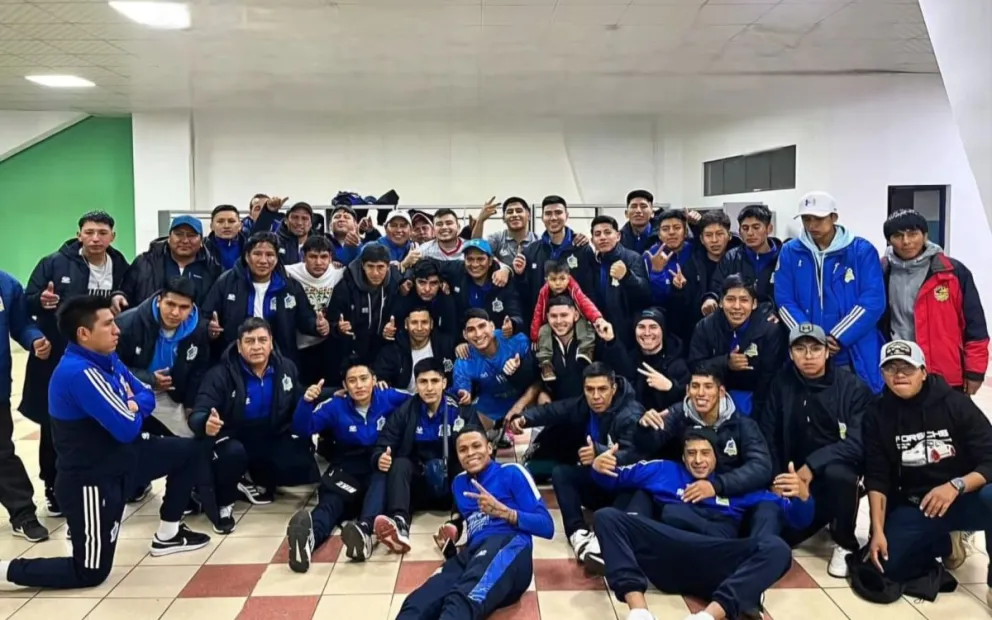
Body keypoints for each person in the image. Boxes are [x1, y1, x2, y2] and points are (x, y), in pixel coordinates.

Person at [3, 296, 211, 590]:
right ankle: (6, 570)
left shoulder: (107, 359)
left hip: (124, 459)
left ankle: (168, 535)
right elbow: (126, 427)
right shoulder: (81, 373)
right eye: (109, 324)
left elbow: (146, 394)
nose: (117, 331)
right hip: (92, 480)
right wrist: (134, 407)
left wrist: (133, 404)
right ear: (83, 334)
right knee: (90, 572)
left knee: (189, 451)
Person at [594, 426, 813, 620]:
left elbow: (797, 519)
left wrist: (803, 497)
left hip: (715, 561)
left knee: (778, 549)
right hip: (668, 551)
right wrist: (598, 467)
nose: (698, 460)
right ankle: (639, 612)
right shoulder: (662, 470)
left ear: (716, 456)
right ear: (683, 456)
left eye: (705, 453)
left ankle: (709, 616)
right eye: (691, 453)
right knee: (606, 517)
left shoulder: (735, 484)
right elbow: (612, 480)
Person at [865, 340, 992, 604]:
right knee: (886, 567)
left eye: (907, 367)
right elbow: (877, 476)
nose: (899, 374)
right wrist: (877, 531)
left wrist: (956, 485)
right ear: (882, 374)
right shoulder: (876, 414)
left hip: (963, 497)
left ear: (923, 372)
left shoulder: (956, 404)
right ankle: (946, 543)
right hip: (918, 504)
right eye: (891, 368)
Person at [22, 211, 130, 517]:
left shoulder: (120, 265)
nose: (96, 238)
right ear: (79, 234)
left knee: (101, 417)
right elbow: (28, 299)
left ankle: (105, 480)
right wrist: (41, 301)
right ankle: (53, 486)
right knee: (55, 423)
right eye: (90, 232)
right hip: (59, 359)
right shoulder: (54, 263)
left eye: (102, 232)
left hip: (103, 358)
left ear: (112, 236)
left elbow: (130, 295)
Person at [395, 426, 553, 620]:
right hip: (473, 553)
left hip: (511, 546)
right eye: (463, 450)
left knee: (461, 601)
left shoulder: (511, 472)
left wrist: (506, 513)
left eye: (476, 446)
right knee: (418, 603)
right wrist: (454, 527)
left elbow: (547, 526)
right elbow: (465, 516)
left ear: (489, 448)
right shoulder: (459, 483)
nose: (470, 453)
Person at [755, 323, 871, 577]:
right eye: (800, 349)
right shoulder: (781, 383)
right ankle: (820, 514)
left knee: (841, 475)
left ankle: (844, 542)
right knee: (781, 538)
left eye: (815, 349)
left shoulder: (853, 388)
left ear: (827, 352)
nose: (808, 356)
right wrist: (776, 478)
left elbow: (857, 443)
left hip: (833, 473)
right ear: (790, 353)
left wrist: (812, 466)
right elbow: (767, 433)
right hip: (792, 476)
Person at [507, 362, 644, 570]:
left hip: (623, 486)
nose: (596, 396)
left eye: (602, 389)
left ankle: (603, 540)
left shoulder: (631, 414)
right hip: (598, 482)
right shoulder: (585, 404)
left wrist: (599, 453)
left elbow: (637, 456)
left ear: (613, 389)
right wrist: (526, 418)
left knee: (627, 502)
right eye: (590, 390)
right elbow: (556, 410)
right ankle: (578, 534)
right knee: (561, 473)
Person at [190, 318, 319, 527]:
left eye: (262, 340)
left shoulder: (286, 367)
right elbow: (198, 413)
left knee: (302, 466)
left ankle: (252, 478)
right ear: (239, 347)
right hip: (232, 436)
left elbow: (298, 399)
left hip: (269, 433)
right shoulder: (220, 374)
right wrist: (206, 422)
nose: (257, 346)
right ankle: (225, 502)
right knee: (232, 454)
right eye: (250, 341)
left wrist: (316, 396)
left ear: (271, 342)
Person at [286, 357, 410, 570]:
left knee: (381, 478)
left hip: (376, 464)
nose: (359, 385)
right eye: (352, 381)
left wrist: (460, 397)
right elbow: (301, 429)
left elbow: (423, 397)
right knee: (330, 503)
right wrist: (306, 402)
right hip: (345, 467)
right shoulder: (335, 405)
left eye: (364, 379)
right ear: (344, 385)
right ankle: (308, 540)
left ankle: (364, 533)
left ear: (374, 380)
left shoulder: (388, 397)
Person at [775, 191, 886, 393]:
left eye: (818, 219)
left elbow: (873, 301)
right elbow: (784, 300)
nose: (811, 225)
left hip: (852, 351)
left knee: (856, 412)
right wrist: (810, 338)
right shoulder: (791, 251)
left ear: (834, 217)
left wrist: (836, 337)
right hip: (809, 353)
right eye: (806, 219)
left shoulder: (861, 250)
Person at [880, 209, 988, 395]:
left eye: (913, 234)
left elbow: (975, 326)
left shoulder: (952, 272)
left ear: (925, 235)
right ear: (889, 240)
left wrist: (975, 371)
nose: (906, 241)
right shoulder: (881, 271)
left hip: (944, 373)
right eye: (898, 236)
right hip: (899, 373)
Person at [372, 358, 470, 554]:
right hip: (420, 483)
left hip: (450, 484)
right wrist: (380, 457)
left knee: (466, 464)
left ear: (444, 383)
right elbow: (383, 443)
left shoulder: (458, 410)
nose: (429, 388)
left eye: (435, 381)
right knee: (399, 464)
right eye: (423, 382)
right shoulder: (406, 410)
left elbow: (478, 442)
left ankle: (457, 525)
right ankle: (399, 524)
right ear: (416, 385)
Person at [634, 365, 772, 501]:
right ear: (688, 390)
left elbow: (761, 466)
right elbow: (646, 447)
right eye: (695, 386)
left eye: (708, 386)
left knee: (767, 510)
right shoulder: (677, 414)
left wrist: (716, 485)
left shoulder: (742, 423)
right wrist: (644, 428)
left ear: (721, 392)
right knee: (640, 494)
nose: (701, 393)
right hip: (685, 491)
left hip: (729, 495)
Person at [202, 232, 322, 365]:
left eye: (270, 255)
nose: (263, 260)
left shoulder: (289, 285)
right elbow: (206, 316)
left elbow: (305, 319)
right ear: (247, 256)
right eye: (257, 254)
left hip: (280, 359)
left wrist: (318, 326)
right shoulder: (227, 282)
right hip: (234, 359)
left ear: (277, 258)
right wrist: (210, 328)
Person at [115, 277, 211, 439]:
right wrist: (149, 379)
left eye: (183, 307)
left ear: (192, 308)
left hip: (171, 396)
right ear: (159, 300)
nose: (175, 313)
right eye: (170, 304)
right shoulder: (127, 324)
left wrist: (190, 404)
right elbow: (110, 367)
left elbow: (199, 369)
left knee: (191, 440)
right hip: (130, 391)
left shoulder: (198, 329)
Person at [0, 269, 51, 542]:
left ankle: (23, 514)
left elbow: (20, 324)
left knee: (2, 453)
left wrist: (35, 340)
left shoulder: (6, 284)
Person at [688, 276, 785, 416]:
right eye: (730, 299)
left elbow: (769, 377)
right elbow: (695, 366)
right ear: (721, 302)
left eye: (744, 300)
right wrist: (725, 362)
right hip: (716, 394)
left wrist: (756, 416)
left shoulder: (769, 329)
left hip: (756, 396)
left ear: (754, 304)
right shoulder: (705, 326)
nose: (737, 306)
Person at [574, 215, 652, 350]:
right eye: (597, 234)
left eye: (608, 232)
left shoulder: (632, 258)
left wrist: (627, 277)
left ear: (618, 236)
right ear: (592, 240)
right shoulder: (592, 262)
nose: (603, 237)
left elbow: (645, 296)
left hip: (626, 334)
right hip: (598, 330)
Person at [117, 215, 222, 310]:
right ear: (169, 237)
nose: (185, 240)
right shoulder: (145, 263)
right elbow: (124, 294)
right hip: (148, 328)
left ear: (201, 241)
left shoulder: (213, 269)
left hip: (196, 329)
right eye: (179, 234)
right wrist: (118, 296)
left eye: (191, 235)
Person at [453, 309, 534, 429]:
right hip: (490, 412)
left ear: (492, 326)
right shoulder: (463, 361)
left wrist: (518, 407)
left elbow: (538, 381)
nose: (478, 334)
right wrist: (464, 395)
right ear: (465, 335)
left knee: (544, 398)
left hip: (525, 402)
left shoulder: (516, 340)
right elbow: (462, 391)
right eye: (471, 330)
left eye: (482, 326)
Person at [514, 196, 587, 326]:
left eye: (558, 212)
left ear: (567, 215)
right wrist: (519, 275)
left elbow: (590, 289)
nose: (553, 218)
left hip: (576, 324)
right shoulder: (530, 251)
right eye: (548, 213)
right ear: (542, 217)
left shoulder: (581, 248)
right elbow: (524, 294)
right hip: (542, 326)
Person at [327, 243, 404, 365]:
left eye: (380, 267)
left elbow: (399, 317)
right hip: (348, 352)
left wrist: (391, 330)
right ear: (362, 265)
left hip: (380, 351)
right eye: (370, 266)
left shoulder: (395, 285)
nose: (375, 273)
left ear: (388, 266)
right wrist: (338, 328)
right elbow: (331, 320)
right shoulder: (345, 287)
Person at [530, 261, 603, 381]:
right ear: (546, 279)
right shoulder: (544, 292)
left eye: (562, 278)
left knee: (584, 324)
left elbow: (585, 303)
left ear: (568, 277)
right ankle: (546, 363)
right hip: (551, 321)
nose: (558, 283)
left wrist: (597, 318)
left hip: (575, 318)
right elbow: (538, 312)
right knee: (543, 330)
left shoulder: (573, 287)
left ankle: (585, 351)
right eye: (553, 279)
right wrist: (534, 336)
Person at [285, 235, 344, 386]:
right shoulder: (289, 273)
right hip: (301, 345)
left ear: (331, 257)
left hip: (329, 344)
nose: (319, 262)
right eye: (313, 256)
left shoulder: (339, 273)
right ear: (303, 257)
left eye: (324, 257)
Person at [607, 308, 690, 415]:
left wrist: (671, 387)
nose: (647, 333)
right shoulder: (629, 360)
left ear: (662, 330)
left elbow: (690, 402)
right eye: (641, 327)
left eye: (653, 327)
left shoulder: (678, 364)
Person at [645, 209, 708, 345]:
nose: (671, 232)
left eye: (677, 227)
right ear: (659, 234)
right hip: (664, 323)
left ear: (685, 232)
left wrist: (698, 223)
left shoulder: (696, 250)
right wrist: (657, 272)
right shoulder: (650, 256)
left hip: (696, 322)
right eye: (665, 229)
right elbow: (652, 298)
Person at [704, 204, 781, 315]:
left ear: (769, 229)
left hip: (772, 319)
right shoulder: (731, 257)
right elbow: (717, 287)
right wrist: (710, 298)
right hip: (737, 318)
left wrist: (776, 312)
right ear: (739, 231)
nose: (750, 233)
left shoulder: (783, 257)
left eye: (756, 227)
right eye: (745, 228)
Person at [439, 239, 521, 339]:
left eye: (480, 259)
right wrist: (442, 280)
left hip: (495, 341)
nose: (475, 264)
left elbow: (517, 315)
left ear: (490, 261)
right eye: (470, 259)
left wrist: (512, 324)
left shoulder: (503, 280)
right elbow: (432, 265)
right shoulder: (457, 270)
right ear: (464, 259)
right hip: (465, 342)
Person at [374, 306, 456, 390]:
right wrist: (381, 381)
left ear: (431, 324)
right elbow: (381, 375)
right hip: (402, 400)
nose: (419, 328)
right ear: (406, 324)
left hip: (439, 399)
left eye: (424, 322)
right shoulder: (393, 349)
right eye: (414, 322)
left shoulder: (446, 345)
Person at [395, 259, 458, 338]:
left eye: (433, 283)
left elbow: (449, 335)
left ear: (441, 284)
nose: (427, 289)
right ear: (414, 282)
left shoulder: (446, 300)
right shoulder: (405, 295)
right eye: (422, 282)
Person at [472, 196, 538, 266]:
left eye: (519, 211)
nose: (514, 215)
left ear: (529, 215)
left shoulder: (538, 240)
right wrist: (480, 221)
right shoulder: (497, 239)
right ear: (503, 218)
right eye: (510, 212)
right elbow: (476, 249)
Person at [203, 204, 247, 270]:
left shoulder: (249, 247)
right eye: (220, 221)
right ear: (212, 226)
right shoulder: (202, 248)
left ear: (240, 225)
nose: (226, 226)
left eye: (231, 221)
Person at [620, 189, 658, 254]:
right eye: (633, 206)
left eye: (643, 206)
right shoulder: (618, 239)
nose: (638, 211)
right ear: (626, 213)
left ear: (652, 212)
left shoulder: (662, 236)